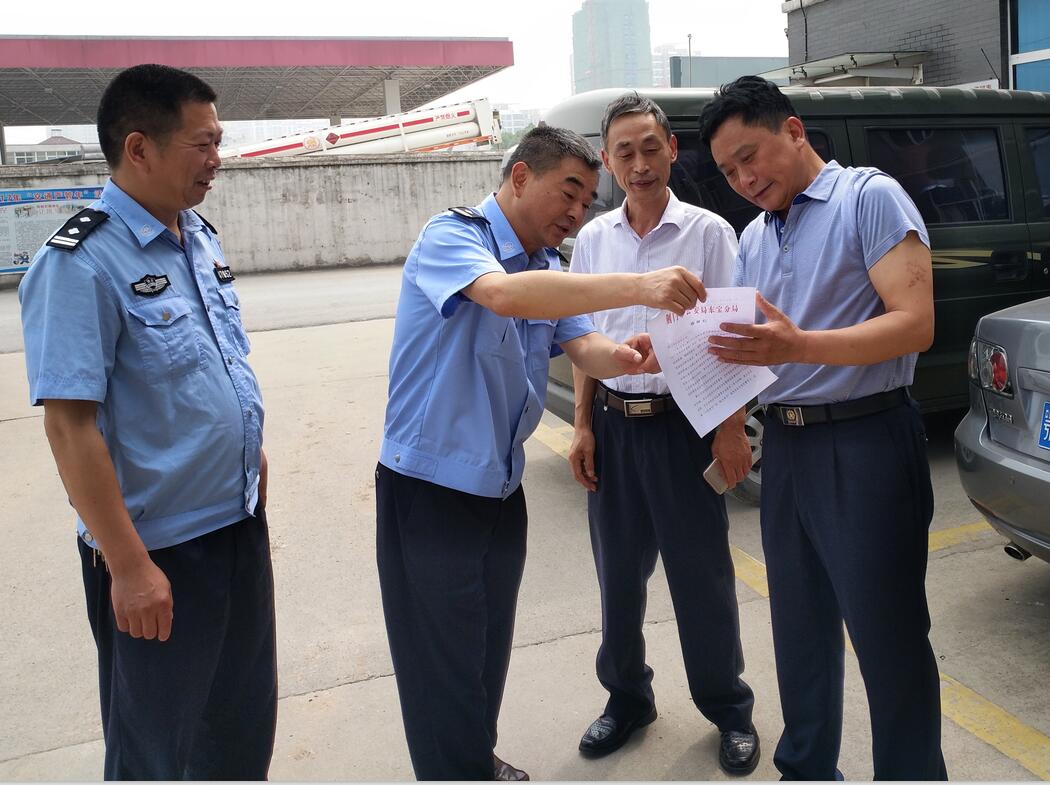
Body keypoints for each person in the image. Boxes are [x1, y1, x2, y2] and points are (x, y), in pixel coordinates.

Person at [376, 124, 707, 781]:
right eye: (569, 192)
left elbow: (586, 348)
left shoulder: (548, 269)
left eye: (587, 201)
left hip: (500, 489)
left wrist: (632, 356)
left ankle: (475, 760)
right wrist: (638, 286)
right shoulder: (455, 237)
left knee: (485, 651)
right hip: (431, 492)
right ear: (521, 176)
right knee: (440, 665)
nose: (577, 211)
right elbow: (502, 297)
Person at [19, 64, 276, 780]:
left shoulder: (198, 237)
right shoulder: (80, 263)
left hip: (236, 528)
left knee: (241, 729)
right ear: (139, 148)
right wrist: (130, 567)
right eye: (203, 143)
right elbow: (69, 428)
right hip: (159, 553)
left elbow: (216, 362)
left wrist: (247, 453)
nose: (217, 158)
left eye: (219, 141)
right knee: (157, 753)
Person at [698, 76, 946, 780]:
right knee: (800, 627)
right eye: (728, 171)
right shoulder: (753, 237)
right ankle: (806, 768)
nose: (745, 179)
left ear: (794, 130)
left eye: (750, 156)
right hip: (789, 445)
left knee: (887, 633)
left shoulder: (868, 198)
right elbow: (746, 345)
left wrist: (800, 345)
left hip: (865, 440)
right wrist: (684, 362)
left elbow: (915, 324)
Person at [567, 93, 759, 775]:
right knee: (618, 578)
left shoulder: (708, 233)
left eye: (651, 147)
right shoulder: (594, 241)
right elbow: (580, 338)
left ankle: (728, 707)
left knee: (701, 579)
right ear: (608, 160)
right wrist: (583, 425)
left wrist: (730, 430)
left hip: (685, 429)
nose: (640, 162)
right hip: (615, 429)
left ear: (672, 149)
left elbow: (734, 337)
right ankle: (627, 698)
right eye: (625, 151)